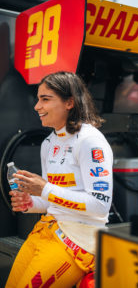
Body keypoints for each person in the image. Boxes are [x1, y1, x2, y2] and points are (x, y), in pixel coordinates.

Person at [6, 71, 113, 288]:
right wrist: (31, 203)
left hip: (78, 242)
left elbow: (100, 205)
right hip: (47, 230)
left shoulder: (90, 141)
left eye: (45, 99)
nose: (37, 107)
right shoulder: (48, 144)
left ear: (69, 103)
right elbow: (52, 201)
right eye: (38, 99)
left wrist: (44, 189)